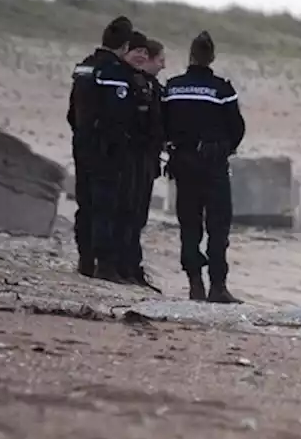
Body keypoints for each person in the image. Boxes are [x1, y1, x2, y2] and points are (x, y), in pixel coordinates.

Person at [162, 30, 246, 303]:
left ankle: (194, 283)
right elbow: (237, 129)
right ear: (212, 57)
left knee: (189, 225)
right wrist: (224, 148)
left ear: (190, 55)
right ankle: (218, 286)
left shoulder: (172, 87)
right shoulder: (222, 89)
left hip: (182, 163)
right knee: (218, 227)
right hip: (212, 164)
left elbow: (161, 124)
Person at [70, 24, 148, 283]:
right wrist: (121, 143)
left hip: (82, 142)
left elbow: (73, 111)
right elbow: (118, 115)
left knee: (85, 203)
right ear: (125, 46)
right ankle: (104, 265)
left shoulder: (84, 66)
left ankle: (85, 259)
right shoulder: (113, 72)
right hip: (107, 148)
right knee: (106, 205)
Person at [120, 34, 167, 290]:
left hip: (147, 157)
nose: (163, 65)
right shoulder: (134, 84)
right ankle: (123, 266)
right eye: (160, 59)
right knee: (129, 212)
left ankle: (131, 267)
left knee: (138, 215)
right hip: (133, 157)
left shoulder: (152, 87)